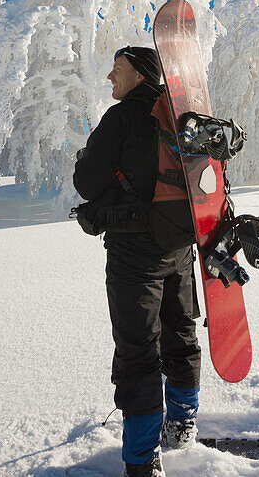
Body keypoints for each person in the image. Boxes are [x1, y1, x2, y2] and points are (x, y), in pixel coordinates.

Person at [73, 46, 201, 477]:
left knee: (139, 351)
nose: (110, 76)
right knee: (180, 334)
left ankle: (143, 460)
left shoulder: (122, 117)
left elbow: (87, 183)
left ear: (141, 74)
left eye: (118, 69)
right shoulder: (182, 117)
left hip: (134, 254)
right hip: (180, 246)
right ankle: (182, 424)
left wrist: (87, 160)